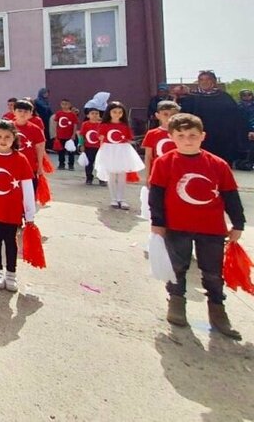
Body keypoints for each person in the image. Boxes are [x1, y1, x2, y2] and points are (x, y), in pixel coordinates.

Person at [150, 112, 245, 340]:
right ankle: (176, 303)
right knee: (178, 267)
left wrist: (238, 223)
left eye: (192, 135)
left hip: (211, 228)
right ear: (172, 136)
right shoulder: (164, 162)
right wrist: (158, 222)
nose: (187, 140)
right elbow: (157, 195)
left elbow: (230, 195)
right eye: (181, 135)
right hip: (177, 226)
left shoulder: (217, 164)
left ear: (203, 136)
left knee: (212, 272)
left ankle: (217, 310)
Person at [0, 120, 36, 292]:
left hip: (13, 209)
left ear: (14, 137)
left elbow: (27, 188)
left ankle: (11, 273)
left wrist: (30, 213)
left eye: (7, 137)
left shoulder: (20, 159)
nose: (3, 140)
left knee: (11, 240)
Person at [180, 71, 246, 163]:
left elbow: (236, 118)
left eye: (208, 79)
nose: (204, 82)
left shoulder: (224, 97)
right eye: (201, 80)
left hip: (223, 139)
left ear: (214, 81)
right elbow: (185, 118)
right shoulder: (191, 98)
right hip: (200, 137)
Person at [95, 101, 145, 210]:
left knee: (122, 176)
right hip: (109, 150)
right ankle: (114, 199)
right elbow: (101, 139)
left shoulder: (125, 125)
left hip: (122, 151)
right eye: (114, 112)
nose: (117, 114)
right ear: (109, 112)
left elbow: (128, 138)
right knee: (111, 176)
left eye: (120, 112)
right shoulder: (104, 125)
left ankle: (122, 199)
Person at [142, 100, 180, 182]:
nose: (169, 117)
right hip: (158, 172)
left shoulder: (182, 133)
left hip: (177, 171)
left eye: (173, 114)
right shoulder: (152, 134)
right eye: (165, 114)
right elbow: (148, 157)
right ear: (158, 115)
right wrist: (147, 176)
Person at [79, 108, 104, 186]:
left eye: (96, 113)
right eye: (92, 113)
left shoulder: (102, 125)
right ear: (88, 115)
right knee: (89, 163)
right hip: (88, 147)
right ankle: (89, 177)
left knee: (101, 164)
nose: (94, 115)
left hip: (100, 148)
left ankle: (102, 179)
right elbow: (81, 135)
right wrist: (81, 145)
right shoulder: (85, 124)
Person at [53, 99, 79, 170]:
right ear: (61, 105)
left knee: (71, 151)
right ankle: (61, 164)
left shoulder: (73, 114)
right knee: (61, 151)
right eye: (63, 104)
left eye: (66, 104)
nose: (65, 106)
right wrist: (55, 133)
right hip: (60, 135)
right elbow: (55, 123)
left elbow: (75, 124)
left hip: (69, 136)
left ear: (70, 105)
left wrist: (73, 134)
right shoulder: (59, 113)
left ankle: (71, 165)